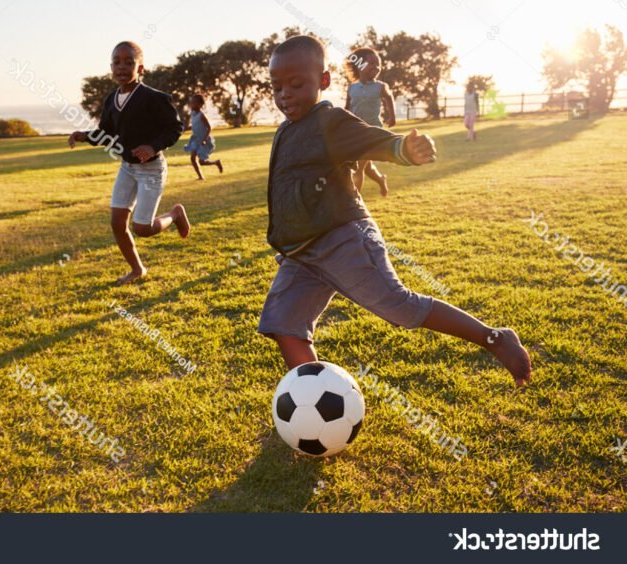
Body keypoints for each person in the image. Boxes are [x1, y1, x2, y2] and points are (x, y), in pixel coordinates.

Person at [258, 36, 532, 387]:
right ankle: (310, 394)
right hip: (301, 254)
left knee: (398, 306)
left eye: (296, 85)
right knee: (285, 325)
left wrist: (403, 148)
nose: (285, 94)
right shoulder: (285, 130)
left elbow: (373, 139)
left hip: (343, 238)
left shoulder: (331, 122)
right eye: (277, 86)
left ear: (324, 81)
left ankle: (494, 338)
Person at [68, 41, 187, 285]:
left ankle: (175, 214)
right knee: (117, 223)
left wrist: (152, 146)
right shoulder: (111, 100)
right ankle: (137, 270)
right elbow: (106, 133)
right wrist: (84, 136)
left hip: (152, 169)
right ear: (111, 67)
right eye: (116, 62)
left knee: (142, 228)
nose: (122, 66)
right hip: (127, 168)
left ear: (140, 69)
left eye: (129, 62)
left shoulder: (153, 98)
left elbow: (175, 128)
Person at [344, 48, 396, 196]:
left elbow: (389, 98)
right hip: (355, 132)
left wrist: (392, 116)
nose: (376, 67)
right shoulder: (352, 88)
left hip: (371, 133)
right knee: (366, 167)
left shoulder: (380, 87)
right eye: (372, 63)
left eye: (378, 64)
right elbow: (347, 109)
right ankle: (381, 180)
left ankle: (355, 201)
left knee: (358, 167)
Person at [184, 94, 223, 180]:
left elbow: (208, 127)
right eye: (191, 102)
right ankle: (200, 176)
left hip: (203, 140)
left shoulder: (201, 115)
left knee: (202, 162)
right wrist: (187, 128)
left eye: (193, 103)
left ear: (200, 105)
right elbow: (195, 125)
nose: (191, 104)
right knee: (192, 158)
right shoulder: (192, 114)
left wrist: (205, 139)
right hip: (195, 139)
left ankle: (216, 162)